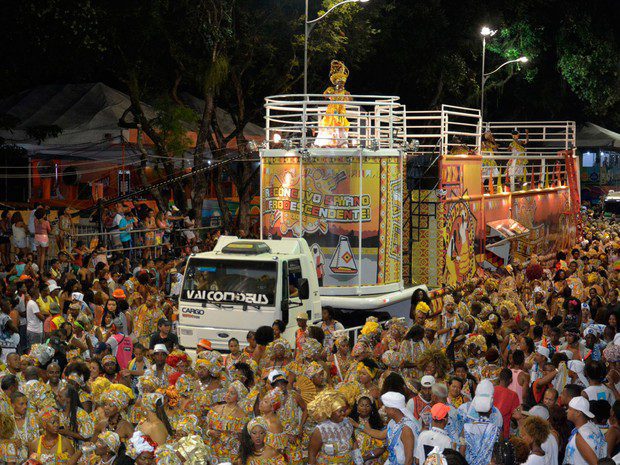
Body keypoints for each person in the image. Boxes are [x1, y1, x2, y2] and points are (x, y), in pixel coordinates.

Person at [360, 391, 419, 465]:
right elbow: (380, 435)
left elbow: (409, 459)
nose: (385, 410)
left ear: (393, 409)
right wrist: (358, 426)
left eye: (386, 408)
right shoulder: (393, 422)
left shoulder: (406, 429)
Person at [564, 396, 607, 465]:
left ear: (578, 413)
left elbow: (595, 463)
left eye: (570, 409)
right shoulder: (592, 426)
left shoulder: (581, 437)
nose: (567, 411)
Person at [494, 368, 520, 439]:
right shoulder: (513, 395)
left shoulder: (491, 390)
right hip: (503, 433)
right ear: (511, 380)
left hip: (489, 430)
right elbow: (516, 415)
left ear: (499, 378)